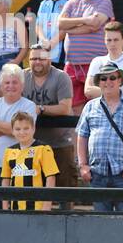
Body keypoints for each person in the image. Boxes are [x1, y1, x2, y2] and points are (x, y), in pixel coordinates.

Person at [76, 62, 123, 213]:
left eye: (112, 77)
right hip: (97, 174)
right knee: (100, 224)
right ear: (99, 82)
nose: (108, 82)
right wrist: (83, 165)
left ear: (120, 80)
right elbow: (82, 136)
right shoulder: (90, 106)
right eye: (103, 78)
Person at [0, 64, 38, 210]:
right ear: (0, 85)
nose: (10, 86)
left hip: (20, 168)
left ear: (22, 85)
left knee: (18, 211)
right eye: (7, 82)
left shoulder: (29, 106)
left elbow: (25, 133)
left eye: (15, 82)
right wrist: (11, 129)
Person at [54, 0, 113, 110]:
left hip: (95, 64)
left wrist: (71, 29)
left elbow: (95, 24)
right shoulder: (71, 3)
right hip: (72, 65)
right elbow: (60, 24)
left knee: (98, 107)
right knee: (73, 108)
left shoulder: (104, 2)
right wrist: (86, 20)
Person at [21, 42, 75, 187]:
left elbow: (64, 108)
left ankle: (68, 211)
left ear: (49, 60)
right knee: (33, 192)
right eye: (33, 59)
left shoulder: (61, 77)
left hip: (60, 143)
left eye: (41, 58)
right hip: (31, 144)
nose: (37, 62)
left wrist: (41, 109)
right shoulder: (22, 77)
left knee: (65, 190)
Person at [0, 112, 58, 211]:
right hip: (15, 208)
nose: (22, 132)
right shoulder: (9, 151)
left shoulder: (43, 149)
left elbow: (51, 177)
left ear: (33, 129)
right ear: (12, 131)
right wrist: (5, 207)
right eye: (18, 129)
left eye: (26, 128)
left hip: (38, 207)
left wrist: (47, 205)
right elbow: (6, 179)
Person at [84, 21, 123, 99]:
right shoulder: (96, 61)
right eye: (109, 40)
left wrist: (101, 92)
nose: (112, 44)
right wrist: (118, 92)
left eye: (116, 40)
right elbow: (88, 91)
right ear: (104, 41)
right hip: (99, 109)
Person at [34, 0, 71, 69]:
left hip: (60, 57)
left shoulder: (69, 3)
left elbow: (66, 28)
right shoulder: (44, 3)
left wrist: (52, 43)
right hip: (43, 54)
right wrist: (43, 40)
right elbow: (38, 25)